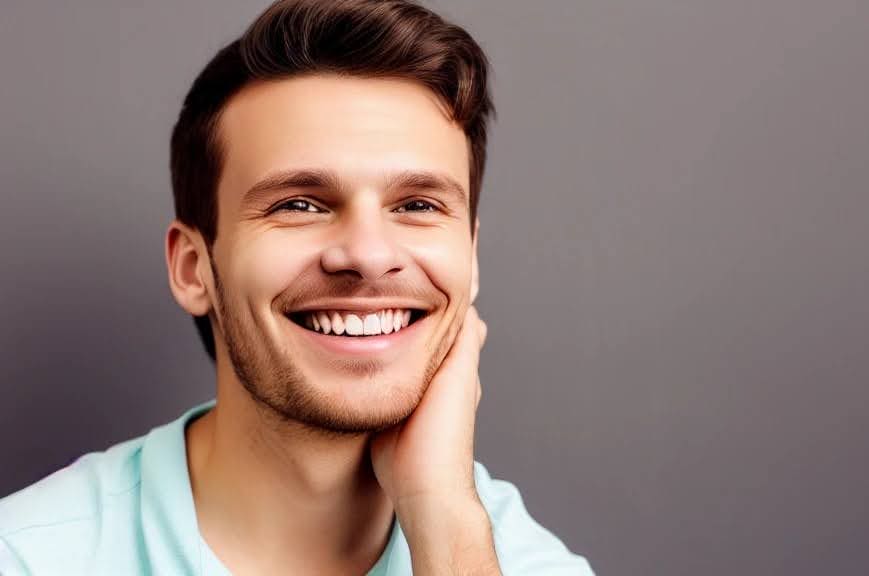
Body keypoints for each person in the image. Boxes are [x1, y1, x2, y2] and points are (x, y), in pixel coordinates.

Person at [0, 1, 593, 574]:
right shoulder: (26, 557)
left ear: (471, 255)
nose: (368, 255)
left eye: (417, 204)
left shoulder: (514, 561)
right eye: (300, 204)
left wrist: (439, 512)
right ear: (192, 267)